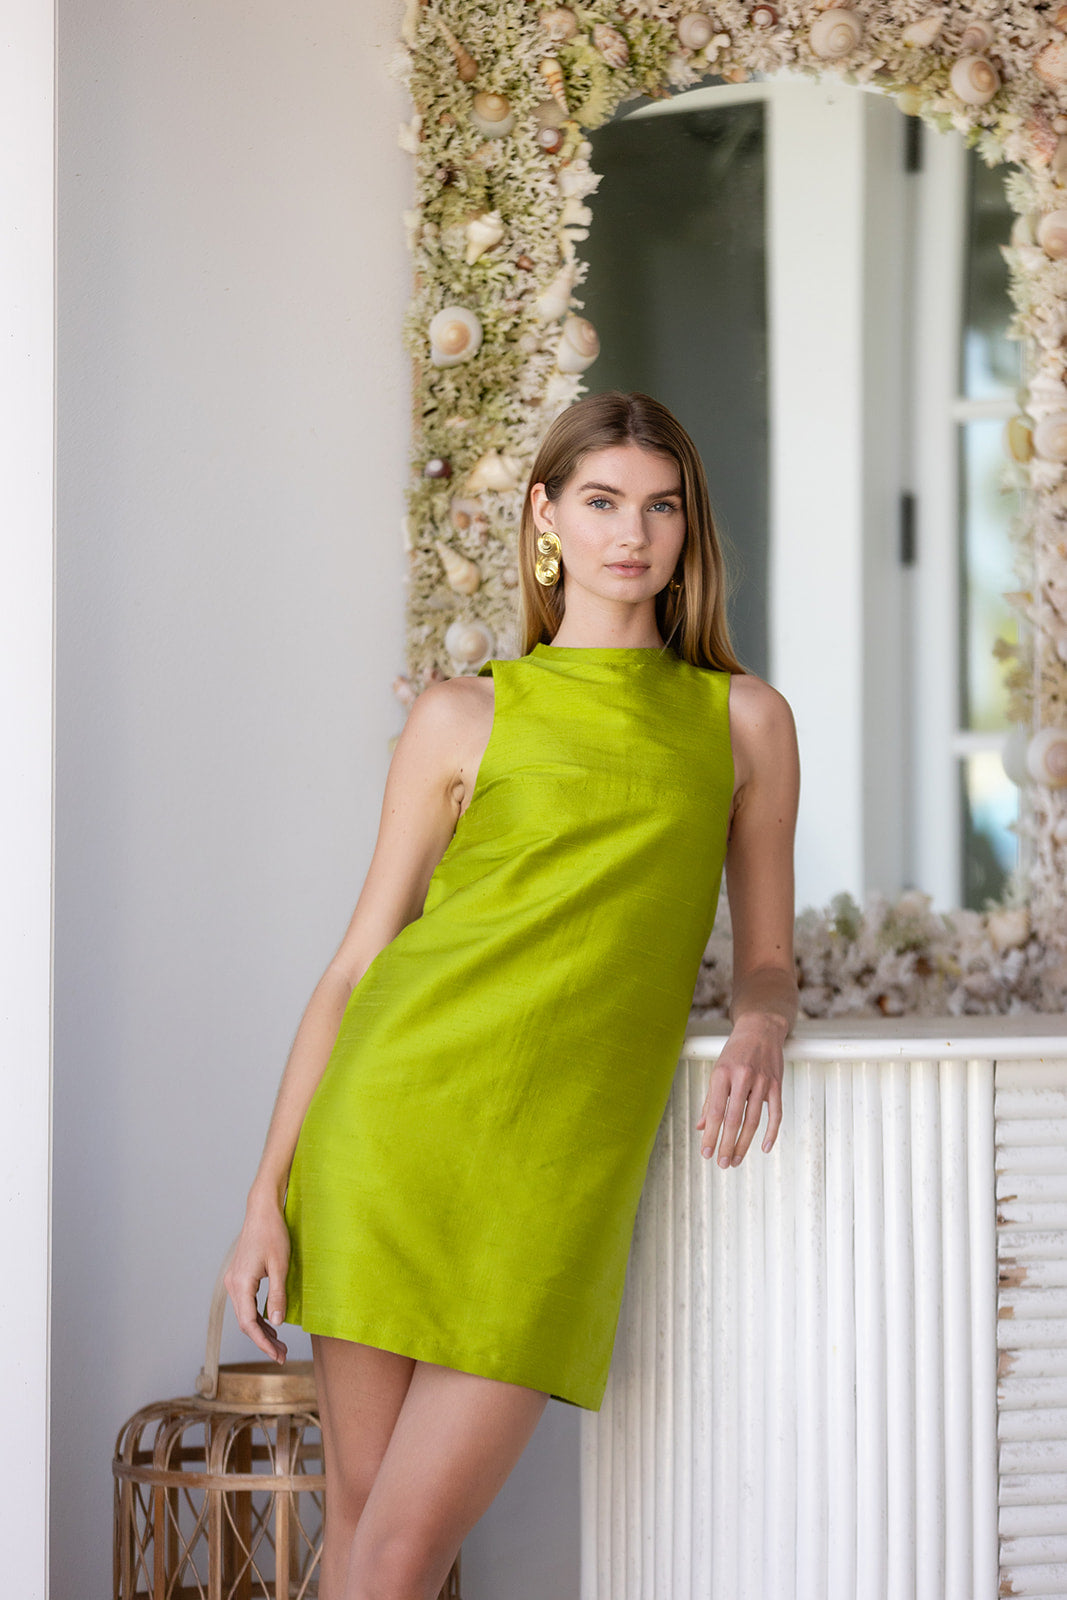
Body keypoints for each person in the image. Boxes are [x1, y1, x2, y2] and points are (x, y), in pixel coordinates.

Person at [225, 390, 800, 1600]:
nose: (629, 533)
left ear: (688, 527)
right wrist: (264, 1196)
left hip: (552, 1173)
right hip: (389, 1130)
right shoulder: (462, 712)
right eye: (600, 501)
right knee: (371, 1537)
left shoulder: (742, 721)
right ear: (544, 515)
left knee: (395, 1550)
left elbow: (764, 953)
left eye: (659, 506)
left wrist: (761, 1020)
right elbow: (358, 962)